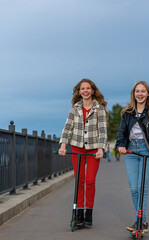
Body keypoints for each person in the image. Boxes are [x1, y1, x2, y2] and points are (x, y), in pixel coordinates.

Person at [116, 81, 149, 234]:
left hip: (148, 150)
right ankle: (142, 221)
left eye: (143, 91)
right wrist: (120, 145)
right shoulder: (127, 111)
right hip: (132, 149)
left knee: (142, 187)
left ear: (148, 93)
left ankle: (140, 221)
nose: (140, 94)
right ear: (133, 94)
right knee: (133, 189)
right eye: (137, 91)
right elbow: (122, 131)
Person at [58, 78, 107, 228]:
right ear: (79, 92)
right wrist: (63, 145)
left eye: (88, 88)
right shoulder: (75, 108)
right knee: (79, 180)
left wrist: (100, 149)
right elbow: (67, 128)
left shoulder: (100, 109)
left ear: (92, 90)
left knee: (90, 181)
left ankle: (88, 213)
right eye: (82, 89)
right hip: (77, 147)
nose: (85, 91)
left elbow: (103, 130)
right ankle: (78, 214)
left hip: (93, 149)